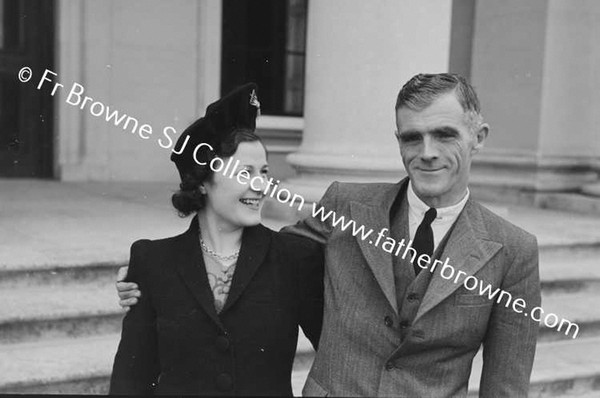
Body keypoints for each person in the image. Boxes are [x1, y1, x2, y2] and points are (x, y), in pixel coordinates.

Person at [118, 73, 541, 397]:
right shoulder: (345, 207)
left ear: (479, 137)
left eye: (445, 134)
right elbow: (265, 252)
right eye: (413, 137)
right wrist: (152, 275)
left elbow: (506, 387)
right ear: (398, 141)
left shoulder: (513, 252)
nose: (426, 152)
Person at [109, 83, 324, 396]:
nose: (261, 185)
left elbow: (338, 354)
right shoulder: (152, 261)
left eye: (264, 172)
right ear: (203, 181)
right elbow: (131, 378)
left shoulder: (294, 258)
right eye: (245, 172)